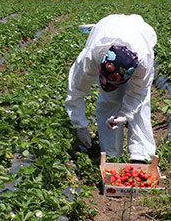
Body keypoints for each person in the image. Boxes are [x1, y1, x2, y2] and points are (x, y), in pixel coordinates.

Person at [65, 14, 157, 162]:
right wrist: (80, 124)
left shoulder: (143, 61)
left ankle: (141, 155)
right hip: (107, 28)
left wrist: (125, 114)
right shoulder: (90, 58)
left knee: (141, 106)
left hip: (138, 33)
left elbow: (139, 92)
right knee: (110, 101)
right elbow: (75, 90)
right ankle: (111, 154)